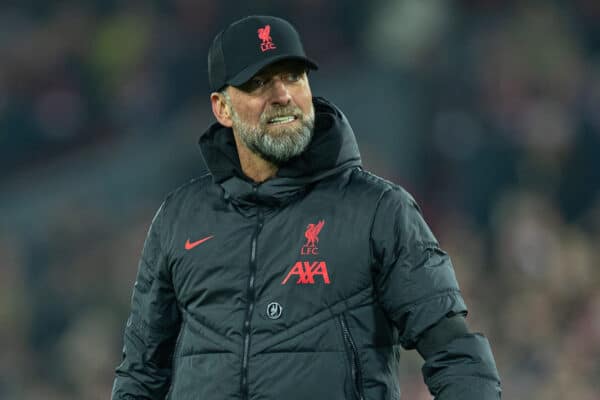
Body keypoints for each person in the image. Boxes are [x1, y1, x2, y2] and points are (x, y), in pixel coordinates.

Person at [111, 15, 501, 400]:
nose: (282, 95)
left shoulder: (379, 211)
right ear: (222, 108)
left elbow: (456, 355)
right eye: (259, 83)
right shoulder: (180, 218)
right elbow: (141, 375)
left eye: (293, 76)